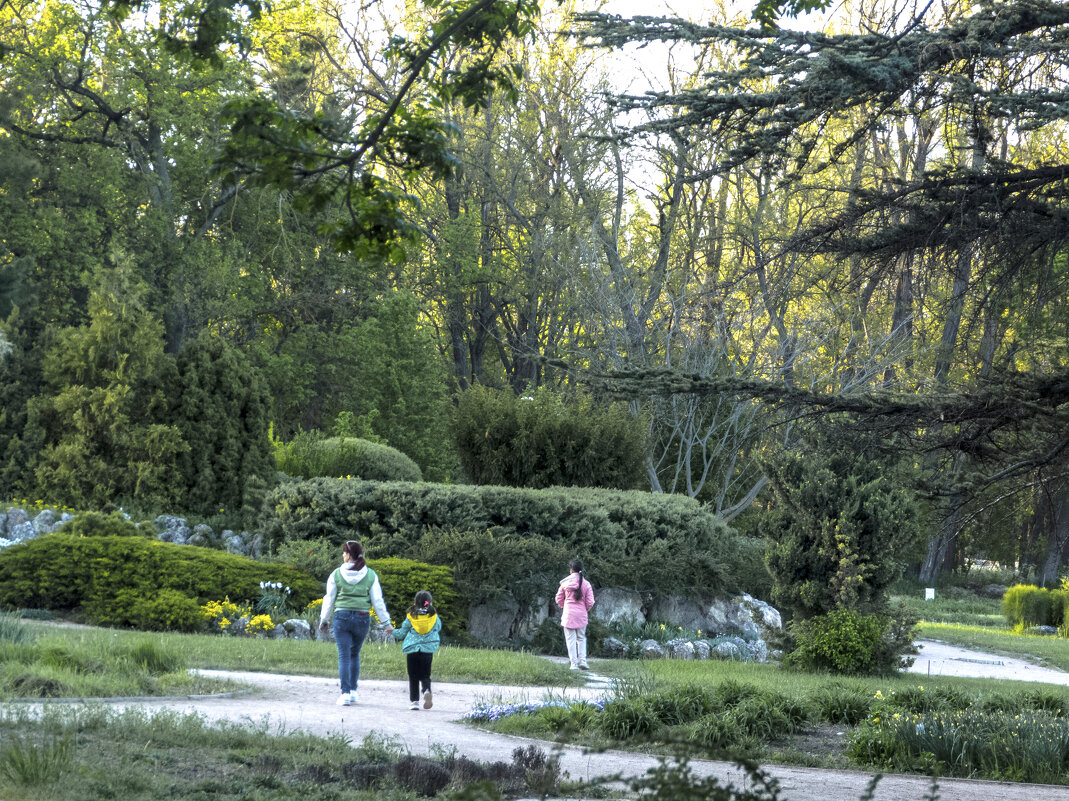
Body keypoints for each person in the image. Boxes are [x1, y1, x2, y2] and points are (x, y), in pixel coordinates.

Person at [319, 540, 392, 706]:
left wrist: (324, 619)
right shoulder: (371, 575)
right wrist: (386, 622)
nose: (343, 555)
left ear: (349, 555)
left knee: (344, 655)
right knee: (354, 654)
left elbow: (329, 599)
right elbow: (377, 601)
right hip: (362, 617)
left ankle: (344, 693)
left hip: (341, 617)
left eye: (344, 552)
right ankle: (352, 691)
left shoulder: (336, 574)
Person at [393, 590, 442, 710]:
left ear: (415, 603)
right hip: (427, 650)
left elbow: (401, 634)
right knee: (426, 675)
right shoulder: (434, 617)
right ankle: (426, 690)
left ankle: (414, 702)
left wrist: (392, 631)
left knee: (413, 676)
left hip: (412, 650)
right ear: (429, 603)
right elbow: (438, 628)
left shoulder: (411, 616)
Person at [555, 558, 595, 670]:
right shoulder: (586, 584)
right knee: (581, 638)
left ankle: (573, 664)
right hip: (581, 614)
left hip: (568, 614)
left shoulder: (565, 583)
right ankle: (583, 661)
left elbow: (558, 599)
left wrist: (564, 606)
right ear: (581, 570)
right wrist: (585, 609)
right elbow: (590, 602)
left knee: (570, 640)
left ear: (571, 570)